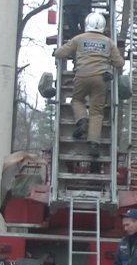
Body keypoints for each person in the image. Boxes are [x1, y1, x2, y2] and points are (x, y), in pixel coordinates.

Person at [53, 12, 124, 157]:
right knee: (97, 112)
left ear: (87, 24)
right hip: (100, 79)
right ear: (103, 26)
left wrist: (56, 52)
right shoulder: (109, 42)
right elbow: (119, 63)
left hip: (82, 75)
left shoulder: (79, 39)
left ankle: (82, 120)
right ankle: (93, 144)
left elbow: (61, 52)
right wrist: (108, 61)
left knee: (77, 100)